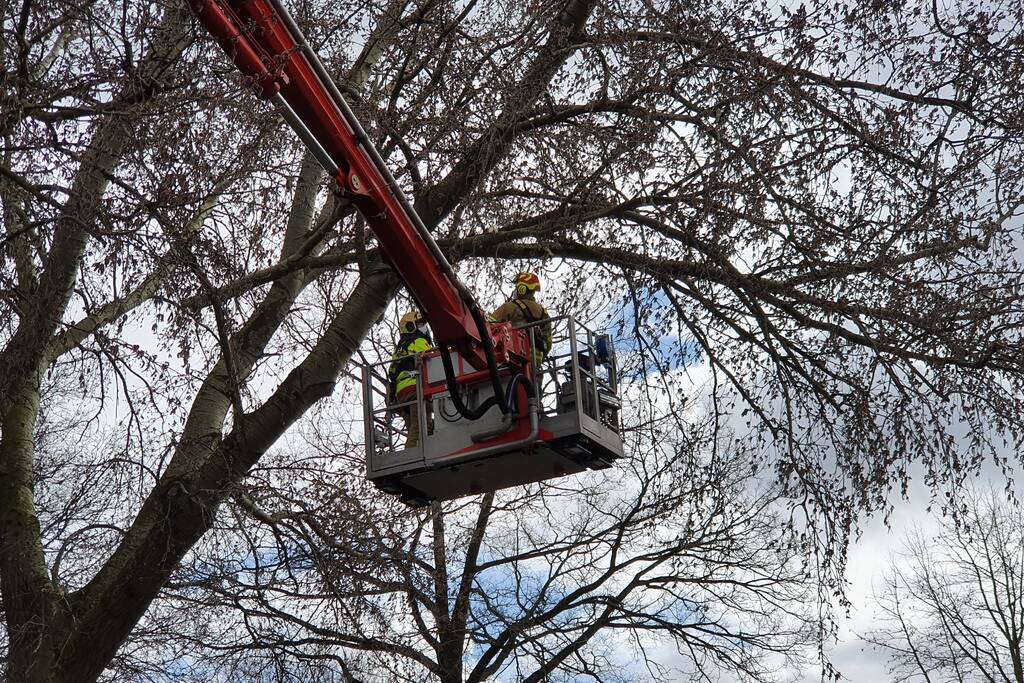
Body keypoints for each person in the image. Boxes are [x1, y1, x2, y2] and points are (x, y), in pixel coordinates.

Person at [388, 309, 433, 448]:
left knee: (417, 428)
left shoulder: (399, 349)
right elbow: (431, 360)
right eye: (420, 324)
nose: (424, 327)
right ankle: (413, 455)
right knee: (420, 429)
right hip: (415, 390)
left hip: (401, 394)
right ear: (410, 326)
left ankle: (425, 450)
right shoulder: (419, 341)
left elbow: (392, 372)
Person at [490, 271, 552, 366]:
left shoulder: (509, 307)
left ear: (521, 288)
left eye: (516, 287)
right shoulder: (544, 313)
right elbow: (548, 342)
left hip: (513, 359)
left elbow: (490, 325)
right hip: (535, 364)